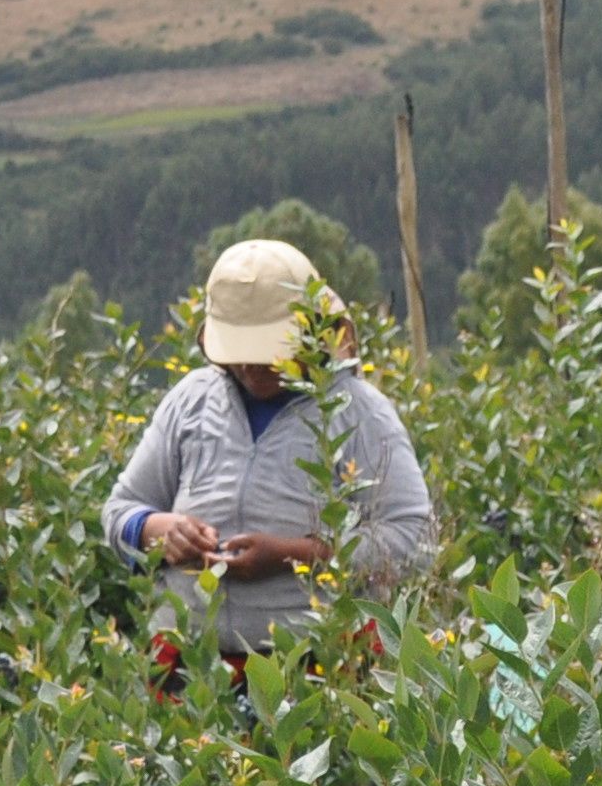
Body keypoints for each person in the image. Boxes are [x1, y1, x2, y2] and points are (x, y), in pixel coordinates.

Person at [101, 239, 438, 663]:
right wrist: (157, 530)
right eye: (241, 353)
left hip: (317, 665)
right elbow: (120, 509)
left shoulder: (359, 413)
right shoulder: (191, 401)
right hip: (190, 665)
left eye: (268, 352)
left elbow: (413, 537)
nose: (251, 367)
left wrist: (295, 556)